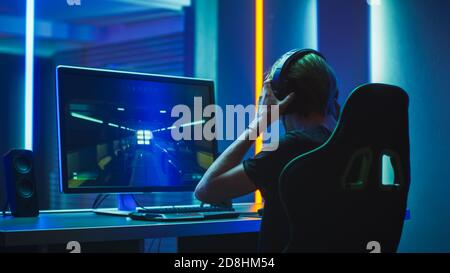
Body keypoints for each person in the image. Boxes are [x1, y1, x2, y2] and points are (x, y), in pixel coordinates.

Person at [194, 51, 340, 252]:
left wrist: (260, 122)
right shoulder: (353, 144)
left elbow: (206, 191)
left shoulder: (292, 147)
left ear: (282, 97)